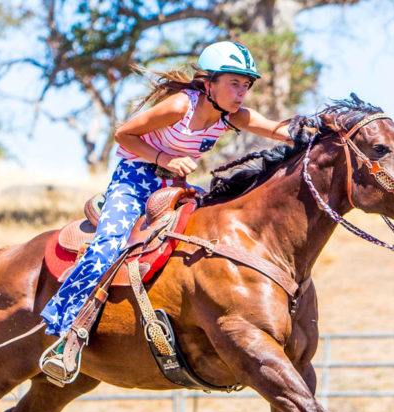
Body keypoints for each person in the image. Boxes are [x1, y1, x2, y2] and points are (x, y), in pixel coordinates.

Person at [40, 41, 302, 377]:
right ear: (209, 84)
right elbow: (124, 134)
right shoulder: (180, 106)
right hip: (133, 181)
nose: (241, 93)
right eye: (234, 83)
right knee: (107, 247)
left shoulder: (233, 117)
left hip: (172, 186)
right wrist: (164, 158)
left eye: (246, 85)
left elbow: (278, 130)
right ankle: (63, 331)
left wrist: (319, 131)